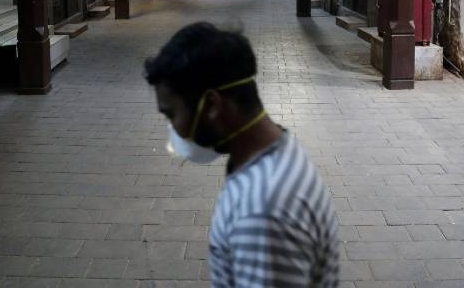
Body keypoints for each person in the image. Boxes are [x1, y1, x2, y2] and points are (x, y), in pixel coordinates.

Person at [144, 22, 339, 287]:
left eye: (171, 114)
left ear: (211, 105)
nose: (172, 128)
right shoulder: (276, 150)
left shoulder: (262, 212)